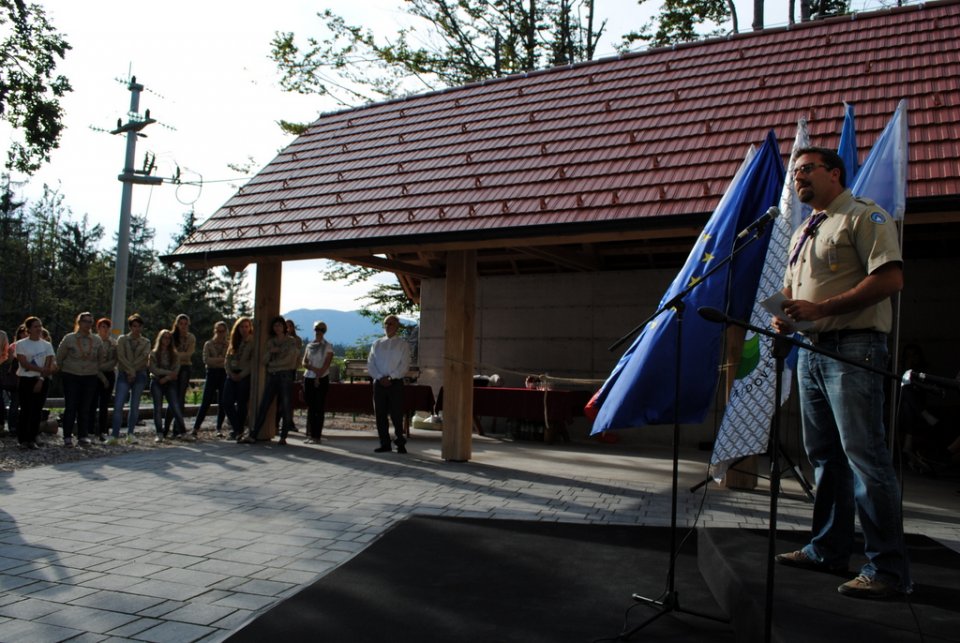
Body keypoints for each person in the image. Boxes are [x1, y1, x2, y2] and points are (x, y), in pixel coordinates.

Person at [772, 147, 910, 599]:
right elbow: (795, 289)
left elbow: (890, 279)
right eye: (795, 172)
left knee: (864, 457)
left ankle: (887, 569)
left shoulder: (864, 216)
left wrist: (821, 308)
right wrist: (786, 313)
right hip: (812, 350)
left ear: (834, 173)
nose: (798, 178)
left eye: (806, 169)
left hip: (855, 348)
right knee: (825, 457)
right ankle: (828, 550)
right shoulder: (805, 229)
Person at [242, 315, 299, 445]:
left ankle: (283, 436)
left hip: (285, 376)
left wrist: (273, 364)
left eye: (279, 325)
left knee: (285, 405)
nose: (277, 328)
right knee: (264, 404)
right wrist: (272, 352)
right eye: (275, 325)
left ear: (284, 327)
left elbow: (290, 360)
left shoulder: (291, 341)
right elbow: (264, 360)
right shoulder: (271, 342)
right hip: (273, 376)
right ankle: (254, 434)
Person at [56, 312, 105, 447]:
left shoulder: (97, 340)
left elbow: (101, 358)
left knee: (85, 408)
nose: (87, 324)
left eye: (90, 322)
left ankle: (83, 435)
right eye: (85, 321)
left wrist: (95, 369)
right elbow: (59, 357)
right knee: (71, 406)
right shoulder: (69, 338)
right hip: (71, 375)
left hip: (90, 376)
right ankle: (67, 436)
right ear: (79, 322)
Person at [366, 315, 411, 454]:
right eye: (386, 323)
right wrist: (380, 377)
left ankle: (400, 443)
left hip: (395, 383)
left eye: (391, 324)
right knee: (380, 414)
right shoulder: (377, 344)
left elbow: (404, 365)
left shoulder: (402, 345)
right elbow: (370, 364)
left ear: (397, 326)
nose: (387, 326)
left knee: (397, 415)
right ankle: (384, 443)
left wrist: (391, 377)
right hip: (379, 383)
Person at [14, 316, 55, 450]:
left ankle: (32, 438)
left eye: (40, 326)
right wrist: (40, 369)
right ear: (29, 329)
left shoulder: (46, 345)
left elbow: (48, 363)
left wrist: (41, 378)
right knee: (25, 410)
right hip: (26, 379)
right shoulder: (21, 344)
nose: (39, 329)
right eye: (35, 326)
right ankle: (22, 439)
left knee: (37, 410)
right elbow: (23, 363)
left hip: (41, 380)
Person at [111, 313, 150, 444]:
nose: (136, 329)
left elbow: (144, 357)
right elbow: (121, 356)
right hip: (124, 374)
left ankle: (130, 433)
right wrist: (130, 370)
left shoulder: (146, 342)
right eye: (134, 326)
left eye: (139, 326)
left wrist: (133, 370)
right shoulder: (122, 339)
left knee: (134, 405)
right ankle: (114, 435)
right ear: (130, 327)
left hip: (140, 374)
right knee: (118, 404)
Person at [150, 328, 188, 442]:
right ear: (160, 339)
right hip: (157, 381)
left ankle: (183, 431)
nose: (166, 340)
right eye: (164, 338)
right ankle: (159, 433)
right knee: (158, 408)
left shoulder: (175, 354)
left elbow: (176, 370)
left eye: (168, 338)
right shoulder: (153, 353)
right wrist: (167, 373)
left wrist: (167, 377)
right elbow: (153, 369)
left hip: (170, 382)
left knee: (175, 406)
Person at [192, 321, 228, 437]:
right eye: (218, 331)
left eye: (222, 331)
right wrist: (221, 360)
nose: (220, 333)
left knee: (222, 402)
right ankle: (196, 427)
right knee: (205, 402)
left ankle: (219, 428)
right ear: (214, 331)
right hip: (211, 374)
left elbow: (228, 361)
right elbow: (206, 360)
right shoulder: (208, 344)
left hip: (223, 374)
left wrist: (216, 360)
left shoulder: (228, 345)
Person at [222, 317, 254, 439]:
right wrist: (230, 373)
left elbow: (252, 362)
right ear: (238, 328)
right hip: (231, 374)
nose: (244, 329)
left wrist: (242, 375)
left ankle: (238, 431)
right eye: (242, 327)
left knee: (242, 403)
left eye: (246, 326)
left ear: (250, 328)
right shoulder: (234, 341)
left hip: (244, 375)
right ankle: (237, 428)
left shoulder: (252, 342)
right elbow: (227, 359)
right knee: (226, 402)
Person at [302, 321, 334, 444]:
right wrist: (313, 369)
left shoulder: (328, 346)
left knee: (319, 407)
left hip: (322, 378)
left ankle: (317, 436)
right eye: (316, 329)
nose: (318, 331)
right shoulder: (309, 345)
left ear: (324, 331)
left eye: (321, 329)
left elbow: (327, 364)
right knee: (310, 407)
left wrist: (318, 375)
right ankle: (310, 434)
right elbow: (304, 362)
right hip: (309, 377)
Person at [165, 314, 195, 435]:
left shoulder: (191, 337)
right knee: (173, 398)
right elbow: (168, 353)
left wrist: (176, 355)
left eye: (185, 324)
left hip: (185, 368)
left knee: (181, 397)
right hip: (172, 369)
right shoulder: (171, 336)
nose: (183, 326)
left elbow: (189, 354)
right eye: (181, 324)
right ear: (177, 324)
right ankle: (166, 428)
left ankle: (177, 428)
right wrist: (177, 356)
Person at [92, 318, 118, 442]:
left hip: (109, 374)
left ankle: (103, 431)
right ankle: (90, 431)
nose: (105, 329)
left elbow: (114, 360)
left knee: (104, 405)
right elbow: (92, 361)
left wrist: (103, 369)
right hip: (94, 375)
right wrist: (101, 374)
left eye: (107, 326)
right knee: (92, 404)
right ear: (98, 328)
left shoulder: (113, 343)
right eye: (103, 326)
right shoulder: (93, 341)